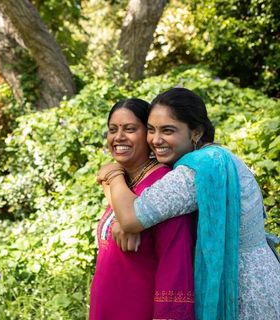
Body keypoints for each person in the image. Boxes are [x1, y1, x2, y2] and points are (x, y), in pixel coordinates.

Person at [99, 88, 280, 319]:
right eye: (151, 130)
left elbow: (132, 217)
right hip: (265, 277)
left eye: (168, 131)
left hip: (241, 291)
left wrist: (112, 174)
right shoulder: (218, 156)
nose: (156, 140)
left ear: (196, 132)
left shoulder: (195, 172)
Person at [90, 98, 195, 320]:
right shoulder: (125, 182)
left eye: (130, 129)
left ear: (147, 135)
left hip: (140, 309)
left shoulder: (164, 187)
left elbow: (175, 265)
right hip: (107, 307)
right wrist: (113, 174)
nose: (118, 137)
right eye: (112, 129)